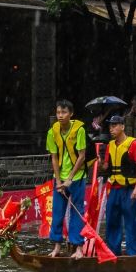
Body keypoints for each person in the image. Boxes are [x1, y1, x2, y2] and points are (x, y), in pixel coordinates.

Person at [46, 99, 87, 257]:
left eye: (64, 112)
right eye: (58, 112)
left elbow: (82, 156)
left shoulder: (79, 130)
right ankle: (57, 246)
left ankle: (78, 248)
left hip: (77, 177)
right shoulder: (52, 132)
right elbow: (54, 157)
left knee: (77, 212)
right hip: (59, 178)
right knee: (57, 212)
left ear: (71, 114)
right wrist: (58, 181)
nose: (60, 115)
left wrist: (69, 178)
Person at [102, 112, 136, 256]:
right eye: (110, 126)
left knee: (131, 220)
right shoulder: (110, 145)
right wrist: (99, 160)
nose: (111, 129)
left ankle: (134, 252)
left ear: (122, 126)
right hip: (114, 188)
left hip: (129, 189)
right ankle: (113, 251)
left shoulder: (133, 144)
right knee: (112, 219)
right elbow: (105, 167)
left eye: (114, 126)